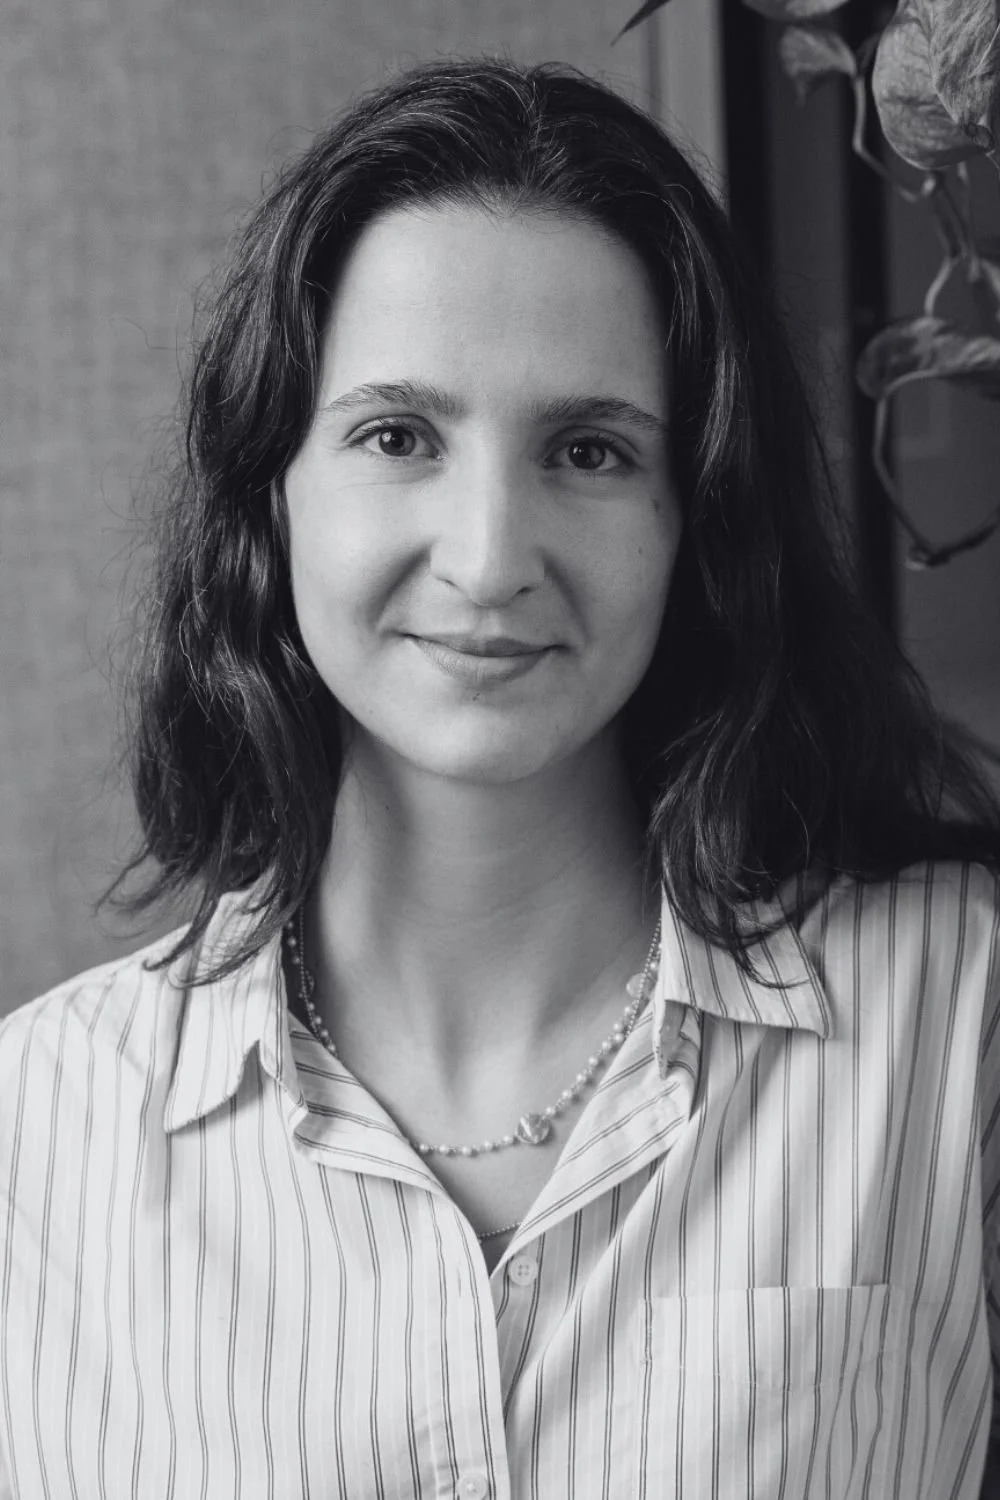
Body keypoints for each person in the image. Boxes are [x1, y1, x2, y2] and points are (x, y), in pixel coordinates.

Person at [2, 53, 1000, 1500]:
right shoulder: (34, 1134)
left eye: (589, 451)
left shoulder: (959, 1029)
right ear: (270, 494)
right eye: (397, 436)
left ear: (697, 520)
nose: (487, 557)